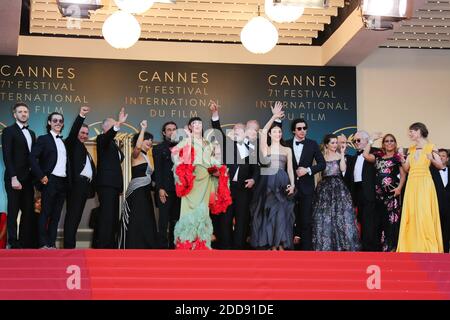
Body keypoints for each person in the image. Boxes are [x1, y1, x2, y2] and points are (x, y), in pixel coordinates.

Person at [172, 117, 231, 250]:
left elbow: (211, 160)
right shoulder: (186, 141)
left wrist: (217, 171)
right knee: (188, 211)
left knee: (203, 212)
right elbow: (175, 153)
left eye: (199, 123)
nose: (197, 125)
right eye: (194, 123)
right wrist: (185, 167)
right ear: (190, 127)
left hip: (206, 180)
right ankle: (186, 243)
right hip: (192, 181)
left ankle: (200, 243)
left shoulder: (207, 143)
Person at [209, 100, 259, 249]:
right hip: (227, 188)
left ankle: (239, 248)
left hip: (243, 188)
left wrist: (253, 180)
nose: (236, 131)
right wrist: (215, 113)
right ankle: (226, 248)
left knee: (242, 219)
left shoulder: (251, 148)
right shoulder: (227, 144)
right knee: (225, 219)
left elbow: (256, 169)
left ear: (245, 133)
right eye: (234, 129)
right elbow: (217, 129)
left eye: (239, 130)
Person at [250, 107, 295, 250]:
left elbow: (290, 169)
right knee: (268, 213)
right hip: (268, 182)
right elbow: (262, 132)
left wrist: (292, 184)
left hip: (282, 183)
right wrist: (274, 117)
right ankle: (270, 244)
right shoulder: (266, 148)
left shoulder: (287, 150)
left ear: (282, 134)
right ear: (270, 133)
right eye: (274, 131)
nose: (277, 133)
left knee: (281, 213)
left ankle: (281, 242)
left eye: (279, 131)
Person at [397, 122, 444, 253]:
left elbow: (440, 165)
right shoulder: (411, 149)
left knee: (424, 213)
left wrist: (432, 159)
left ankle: (427, 246)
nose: (410, 134)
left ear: (419, 131)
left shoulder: (431, 146)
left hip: (424, 183)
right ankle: (412, 246)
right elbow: (406, 169)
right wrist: (402, 158)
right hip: (412, 183)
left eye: (411, 131)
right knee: (411, 212)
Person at [312, 134, 360, 251]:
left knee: (341, 217)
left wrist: (342, 153)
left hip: (338, 188)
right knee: (324, 217)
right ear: (327, 144)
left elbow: (343, 169)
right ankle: (326, 246)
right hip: (324, 189)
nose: (335, 145)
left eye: (336, 143)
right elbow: (317, 176)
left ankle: (343, 246)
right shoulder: (320, 157)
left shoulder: (340, 155)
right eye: (332, 143)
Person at [30, 112, 70, 249]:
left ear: (63, 123)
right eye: (55, 120)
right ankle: (42, 243)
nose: (58, 122)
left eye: (60, 120)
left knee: (56, 215)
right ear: (49, 123)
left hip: (63, 182)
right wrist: (41, 176)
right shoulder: (43, 139)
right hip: (50, 180)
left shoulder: (63, 142)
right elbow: (32, 158)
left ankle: (51, 244)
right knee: (45, 212)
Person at [286, 118, 325, 250]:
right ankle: (288, 248)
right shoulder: (285, 144)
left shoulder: (312, 144)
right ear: (293, 131)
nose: (302, 131)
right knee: (288, 218)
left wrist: (308, 170)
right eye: (299, 128)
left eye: (304, 128)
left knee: (306, 220)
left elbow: (322, 164)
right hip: (289, 187)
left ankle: (307, 251)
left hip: (307, 188)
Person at [1, 102, 36, 248]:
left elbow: (33, 158)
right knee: (13, 210)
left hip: (29, 179)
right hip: (14, 178)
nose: (23, 114)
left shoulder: (32, 133)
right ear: (15, 114)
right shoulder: (9, 131)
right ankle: (13, 243)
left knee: (28, 212)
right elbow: (7, 156)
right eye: (20, 112)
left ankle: (23, 243)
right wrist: (13, 177)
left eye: (26, 111)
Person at [363, 133, 406, 252]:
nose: (389, 143)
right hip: (379, 195)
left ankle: (392, 248)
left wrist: (399, 188)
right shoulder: (378, 156)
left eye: (392, 141)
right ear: (383, 144)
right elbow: (365, 155)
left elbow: (403, 175)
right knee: (380, 221)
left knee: (392, 221)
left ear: (395, 143)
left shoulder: (398, 157)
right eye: (386, 141)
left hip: (392, 193)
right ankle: (383, 248)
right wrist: (371, 140)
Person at [118, 120, 158, 249]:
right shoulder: (136, 154)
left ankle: (146, 246)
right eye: (147, 139)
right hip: (136, 192)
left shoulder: (148, 157)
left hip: (146, 193)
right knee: (136, 218)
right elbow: (138, 147)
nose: (150, 142)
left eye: (151, 140)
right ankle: (132, 245)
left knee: (146, 218)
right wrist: (142, 129)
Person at [63, 106, 96, 249]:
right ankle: (69, 247)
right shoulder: (72, 143)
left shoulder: (84, 149)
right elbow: (73, 132)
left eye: (86, 133)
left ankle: (71, 245)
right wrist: (81, 116)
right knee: (72, 216)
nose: (84, 135)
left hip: (83, 187)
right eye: (82, 132)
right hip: (76, 185)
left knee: (76, 217)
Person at [94, 107, 127, 249]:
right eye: (113, 125)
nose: (116, 128)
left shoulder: (112, 144)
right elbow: (108, 137)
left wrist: (119, 185)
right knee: (107, 215)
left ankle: (110, 245)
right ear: (105, 126)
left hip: (113, 185)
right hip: (106, 184)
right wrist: (118, 123)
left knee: (112, 216)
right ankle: (103, 246)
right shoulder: (102, 139)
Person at [345, 130, 378, 251]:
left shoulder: (374, 153)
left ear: (366, 140)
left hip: (368, 192)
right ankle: (362, 247)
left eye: (359, 140)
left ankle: (370, 248)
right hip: (356, 191)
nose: (356, 143)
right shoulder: (353, 158)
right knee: (360, 221)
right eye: (354, 141)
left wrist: (371, 141)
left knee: (369, 221)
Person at [153, 121, 181, 249]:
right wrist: (160, 189)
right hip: (165, 190)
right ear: (164, 133)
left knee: (176, 220)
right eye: (169, 129)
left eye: (174, 129)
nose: (172, 131)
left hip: (179, 190)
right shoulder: (158, 148)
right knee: (163, 221)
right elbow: (157, 171)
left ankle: (173, 247)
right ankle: (162, 248)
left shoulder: (183, 147)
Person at [434, 148, 450, 252]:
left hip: (448, 207)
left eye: (443, 156)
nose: (440, 157)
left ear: (447, 158)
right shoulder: (431, 172)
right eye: (438, 156)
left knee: (447, 231)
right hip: (435, 205)